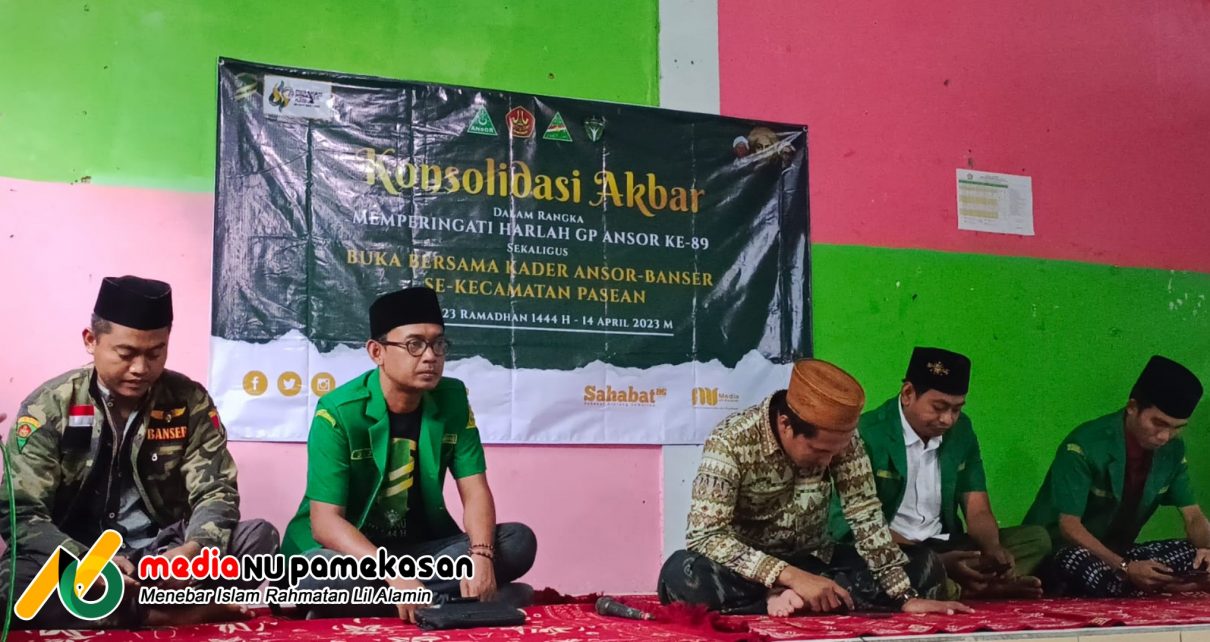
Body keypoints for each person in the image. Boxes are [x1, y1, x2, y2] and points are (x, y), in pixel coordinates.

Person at [0, 275, 279, 628]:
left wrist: (194, 550)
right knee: (10, 588)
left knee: (258, 538)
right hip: (78, 559)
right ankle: (158, 614)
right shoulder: (50, 406)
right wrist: (87, 561)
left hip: (160, 557)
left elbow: (216, 491)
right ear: (91, 341)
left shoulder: (188, 401)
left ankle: (127, 609)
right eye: (126, 354)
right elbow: (22, 513)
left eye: (155, 353)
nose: (140, 369)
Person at [281, 286, 537, 622]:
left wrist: (481, 557)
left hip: (420, 553)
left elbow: (475, 490)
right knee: (315, 575)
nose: (430, 356)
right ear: (377, 352)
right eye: (414, 344)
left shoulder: (453, 400)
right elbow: (325, 522)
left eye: (438, 344)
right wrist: (392, 573)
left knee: (518, 540)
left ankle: (369, 605)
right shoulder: (338, 411)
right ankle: (465, 602)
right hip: (349, 554)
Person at [658, 358, 971, 617]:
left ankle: (803, 598)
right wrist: (790, 577)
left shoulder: (843, 439)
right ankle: (777, 596)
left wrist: (904, 596)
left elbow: (864, 512)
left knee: (924, 564)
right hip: (747, 571)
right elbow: (706, 536)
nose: (829, 461)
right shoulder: (730, 441)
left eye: (837, 452)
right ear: (786, 425)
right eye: (820, 451)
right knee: (681, 574)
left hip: (817, 562)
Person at [830, 347, 1048, 600]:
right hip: (891, 547)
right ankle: (967, 585)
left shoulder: (961, 431)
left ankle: (961, 582)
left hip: (945, 544)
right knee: (882, 565)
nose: (948, 419)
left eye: (956, 409)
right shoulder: (866, 433)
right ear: (908, 394)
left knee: (1035, 539)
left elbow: (977, 508)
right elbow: (847, 525)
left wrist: (993, 549)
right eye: (939, 407)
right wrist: (932, 559)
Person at [1025, 355, 1210, 597]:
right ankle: (1157, 588)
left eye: (1176, 428)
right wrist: (1125, 567)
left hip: (1118, 554)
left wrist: (1206, 551)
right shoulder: (1084, 445)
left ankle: (1144, 586)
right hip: (1062, 553)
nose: (1165, 436)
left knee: (1189, 552)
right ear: (1132, 408)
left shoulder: (1172, 451)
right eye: (1158, 423)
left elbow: (1193, 516)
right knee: (1075, 559)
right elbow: (1069, 527)